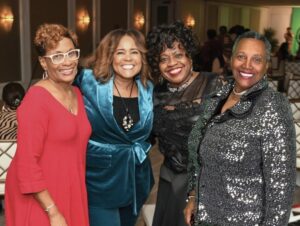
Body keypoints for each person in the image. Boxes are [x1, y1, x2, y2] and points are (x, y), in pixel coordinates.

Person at [184, 31, 296, 226]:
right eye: (241, 57)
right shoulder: (218, 97)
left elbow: (280, 187)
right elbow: (198, 153)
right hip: (205, 217)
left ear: (266, 66)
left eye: (257, 59)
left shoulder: (273, 106)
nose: (247, 65)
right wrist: (194, 196)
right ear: (231, 60)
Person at [5, 23, 91, 226]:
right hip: (40, 197)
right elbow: (26, 165)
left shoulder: (76, 93)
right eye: (57, 56)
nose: (67, 61)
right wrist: (52, 212)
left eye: (71, 53)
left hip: (71, 187)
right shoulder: (36, 100)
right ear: (43, 63)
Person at [74, 28, 154, 226]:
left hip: (136, 180)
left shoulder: (148, 88)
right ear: (109, 56)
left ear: (142, 57)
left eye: (134, 52)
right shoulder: (87, 82)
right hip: (100, 181)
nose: (128, 58)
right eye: (120, 52)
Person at [146, 21, 222, 226]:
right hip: (168, 178)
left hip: (205, 184)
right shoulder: (156, 93)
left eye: (178, 55)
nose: (172, 63)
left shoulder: (215, 85)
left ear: (189, 55)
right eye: (164, 59)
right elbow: (146, 137)